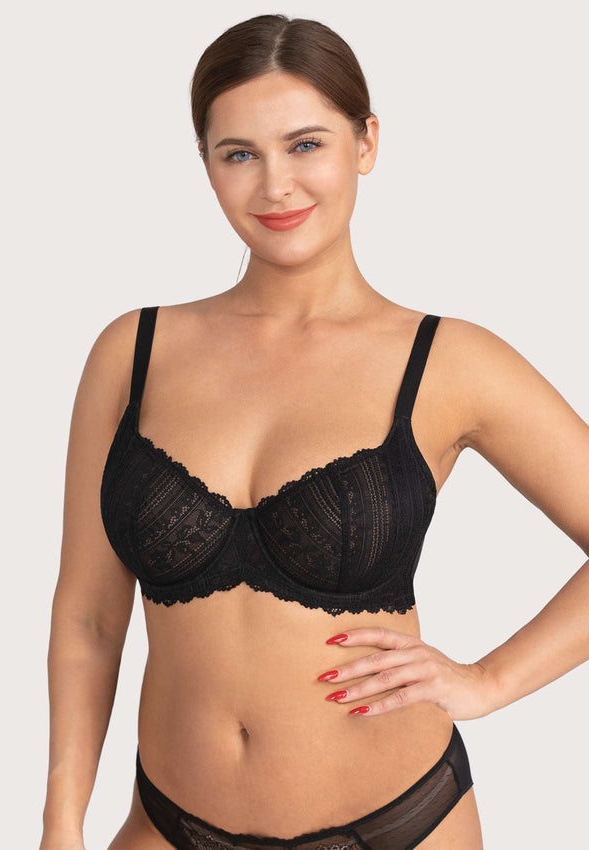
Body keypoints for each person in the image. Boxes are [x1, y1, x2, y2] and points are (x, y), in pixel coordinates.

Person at [40, 13, 589, 850]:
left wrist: (490, 680)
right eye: (239, 154)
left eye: (305, 145)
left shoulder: (449, 361)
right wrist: (61, 819)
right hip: (169, 823)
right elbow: (87, 616)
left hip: (401, 823)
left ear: (366, 143)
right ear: (205, 163)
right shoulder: (133, 352)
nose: (276, 188)